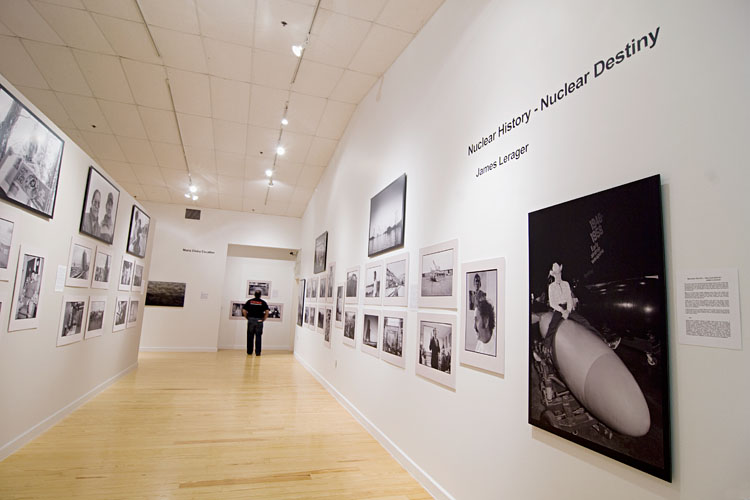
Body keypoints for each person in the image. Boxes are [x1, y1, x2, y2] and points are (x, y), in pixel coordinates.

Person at [242, 289, 269, 356]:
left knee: (250, 336)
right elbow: (267, 312)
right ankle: (258, 352)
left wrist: (247, 317)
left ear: (254, 295)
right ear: (260, 295)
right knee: (258, 336)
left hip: (251, 320)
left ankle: (249, 352)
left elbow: (244, 310)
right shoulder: (263, 302)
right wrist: (263, 319)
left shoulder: (249, 301)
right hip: (259, 321)